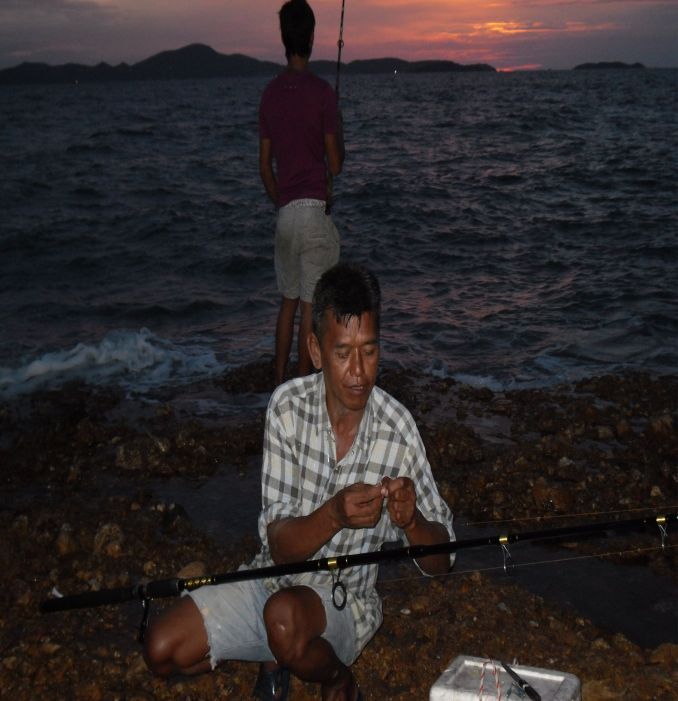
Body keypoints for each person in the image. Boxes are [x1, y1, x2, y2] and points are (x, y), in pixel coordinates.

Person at [143, 262, 455, 701]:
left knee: (284, 620)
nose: (359, 372)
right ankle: (279, 654)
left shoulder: (399, 429)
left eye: (369, 351)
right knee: (160, 650)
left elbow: (443, 561)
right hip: (270, 580)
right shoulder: (286, 408)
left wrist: (413, 522)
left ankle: (335, 677)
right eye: (343, 353)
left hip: (343, 603)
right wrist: (333, 514)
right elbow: (280, 547)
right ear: (314, 348)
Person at [259, 0, 345, 386]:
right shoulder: (323, 93)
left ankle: (278, 383)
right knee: (310, 305)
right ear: (311, 37)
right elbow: (336, 164)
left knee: (288, 303)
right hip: (313, 212)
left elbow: (264, 167)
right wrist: (338, 137)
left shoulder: (270, 95)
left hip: (285, 214)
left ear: (283, 37)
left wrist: (282, 199)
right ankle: (301, 386)